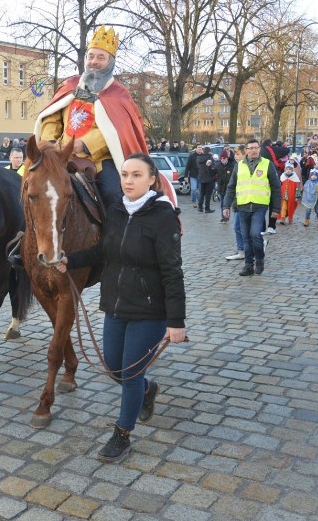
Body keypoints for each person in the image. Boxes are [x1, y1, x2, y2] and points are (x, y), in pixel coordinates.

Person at [57, 153, 186, 462]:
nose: (128, 180)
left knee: (129, 372)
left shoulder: (162, 216)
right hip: (115, 305)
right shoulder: (115, 211)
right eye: (125, 174)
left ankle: (122, 435)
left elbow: (172, 270)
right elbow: (104, 250)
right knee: (114, 366)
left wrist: (176, 321)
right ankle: (145, 390)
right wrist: (70, 260)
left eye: (136, 175)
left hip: (150, 310)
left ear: (152, 179)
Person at [34, 24, 176, 210]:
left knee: (113, 194)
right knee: (31, 186)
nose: (94, 61)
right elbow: (52, 117)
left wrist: (84, 144)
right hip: (61, 155)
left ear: (110, 62)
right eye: (91, 56)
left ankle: (115, 237)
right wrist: (51, 142)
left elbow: (118, 131)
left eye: (101, 57)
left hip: (99, 161)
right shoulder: (70, 86)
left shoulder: (119, 95)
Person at [222, 138, 280, 276]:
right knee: (246, 237)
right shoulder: (239, 165)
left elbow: (276, 188)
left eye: (256, 147)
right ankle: (248, 265)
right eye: (251, 148)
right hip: (242, 205)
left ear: (259, 149)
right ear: (246, 150)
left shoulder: (267, 164)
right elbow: (231, 187)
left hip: (260, 206)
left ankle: (259, 260)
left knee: (255, 234)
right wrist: (226, 205)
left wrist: (276, 209)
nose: (254, 150)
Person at [277, 161, 300, 226]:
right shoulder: (282, 176)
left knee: (290, 207)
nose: (288, 170)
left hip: (291, 196)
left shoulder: (295, 178)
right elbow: (280, 185)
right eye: (287, 169)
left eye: (290, 169)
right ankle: (283, 218)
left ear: (292, 170)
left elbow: (297, 188)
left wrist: (296, 197)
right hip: (284, 195)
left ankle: (290, 218)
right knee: (283, 207)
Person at [217, 152, 235, 222]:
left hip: (229, 187)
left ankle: (227, 216)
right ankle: (224, 217)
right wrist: (208, 167)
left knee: (228, 203)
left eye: (224, 158)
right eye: (221, 158)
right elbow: (212, 173)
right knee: (222, 203)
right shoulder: (218, 165)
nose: (222, 159)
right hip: (221, 187)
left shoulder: (232, 165)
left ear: (227, 158)